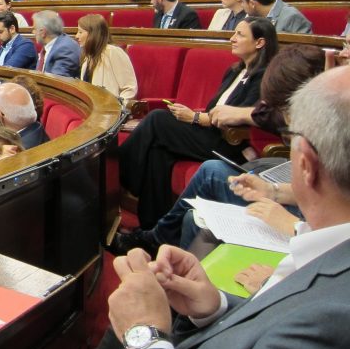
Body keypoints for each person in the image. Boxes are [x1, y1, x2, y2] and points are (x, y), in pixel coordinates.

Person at [57, 66, 350, 349]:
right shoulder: (328, 249)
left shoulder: (332, 326)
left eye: (292, 137)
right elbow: (282, 318)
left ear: (306, 165)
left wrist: (144, 336)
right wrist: (214, 308)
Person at [112, 44, 326, 256]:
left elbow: (332, 223)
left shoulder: (324, 135)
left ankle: (114, 177)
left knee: (159, 123)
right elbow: (312, 189)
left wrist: (294, 225)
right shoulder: (236, 72)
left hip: (299, 218)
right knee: (176, 159)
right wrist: (273, 190)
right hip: (290, 193)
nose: (233, 39)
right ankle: (154, 234)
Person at [119, 16, 277, 227]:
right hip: (210, 132)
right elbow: (214, 109)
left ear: (259, 42)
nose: (232, 38)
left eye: (240, 34)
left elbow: (242, 117)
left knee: (157, 119)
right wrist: (192, 115)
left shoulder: (265, 76)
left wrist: (195, 117)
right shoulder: (235, 71)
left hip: (230, 143)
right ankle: (153, 226)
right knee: (159, 151)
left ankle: (117, 172)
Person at [75, 14, 137, 102]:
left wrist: (119, 106)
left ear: (93, 33)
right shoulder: (88, 57)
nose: (76, 36)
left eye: (80, 32)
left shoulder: (113, 52)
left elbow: (129, 88)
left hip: (111, 108)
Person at [240, 0, 313, 34]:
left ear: (252, 4)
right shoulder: (253, 17)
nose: (241, 5)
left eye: (242, 2)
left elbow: (306, 48)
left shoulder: (292, 16)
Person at [31, 10, 80, 78]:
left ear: (43, 32)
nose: (33, 32)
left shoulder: (65, 49)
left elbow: (57, 81)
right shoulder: (50, 46)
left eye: (34, 29)